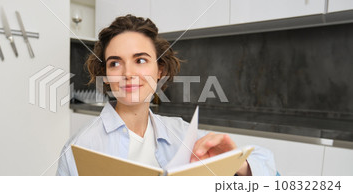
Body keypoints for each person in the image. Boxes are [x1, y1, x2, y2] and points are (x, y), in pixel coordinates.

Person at [57, 15, 276, 176]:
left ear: (160, 69)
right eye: (115, 63)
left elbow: (270, 171)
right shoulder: (79, 148)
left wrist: (237, 164)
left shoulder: (182, 134)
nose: (128, 73)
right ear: (105, 75)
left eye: (140, 60)